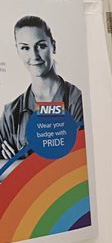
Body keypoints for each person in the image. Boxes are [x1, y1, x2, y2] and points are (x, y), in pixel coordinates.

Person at [0, 15, 85, 160]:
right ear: (18, 51)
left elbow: (75, 164)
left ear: (53, 45)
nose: (34, 55)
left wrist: (17, 165)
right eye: (25, 48)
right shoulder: (11, 112)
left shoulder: (76, 100)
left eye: (41, 46)